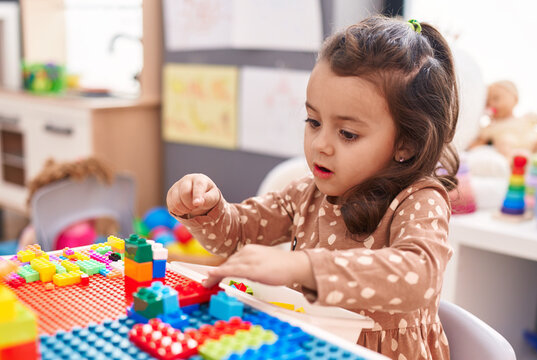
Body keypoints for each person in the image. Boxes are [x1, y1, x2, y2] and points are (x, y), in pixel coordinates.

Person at [167, 16, 458, 359]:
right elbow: (232, 236)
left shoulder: (419, 200)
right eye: (313, 122)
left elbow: (418, 277)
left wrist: (302, 266)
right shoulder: (306, 194)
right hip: (311, 346)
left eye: (347, 134)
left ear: (406, 143)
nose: (321, 144)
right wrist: (205, 206)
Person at [468, 80, 537, 160]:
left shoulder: (526, 117)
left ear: (515, 100)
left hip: (532, 142)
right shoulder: (491, 127)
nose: (492, 104)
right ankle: (514, 161)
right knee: (504, 143)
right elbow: (479, 142)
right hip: (511, 148)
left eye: (496, 99)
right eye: (487, 103)